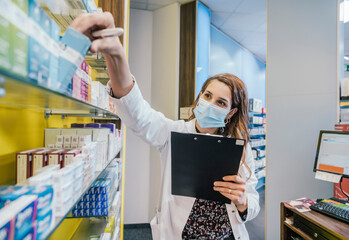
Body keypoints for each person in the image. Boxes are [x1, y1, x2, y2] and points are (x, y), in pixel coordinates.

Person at [71, 12, 260, 240]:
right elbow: (137, 112)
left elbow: (252, 203)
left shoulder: (239, 148)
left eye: (220, 102)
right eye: (207, 96)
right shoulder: (175, 133)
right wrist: (116, 54)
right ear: (199, 96)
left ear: (230, 113)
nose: (210, 104)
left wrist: (243, 201)